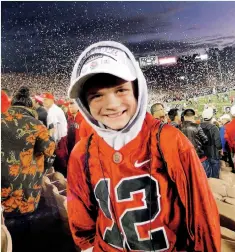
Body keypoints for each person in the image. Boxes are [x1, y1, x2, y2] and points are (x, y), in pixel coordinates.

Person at [67, 41, 221, 252]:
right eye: (97, 95)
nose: (111, 104)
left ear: (138, 90)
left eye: (121, 90)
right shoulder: (82, 153)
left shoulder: (168, 139)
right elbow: (82, 225)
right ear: (84, 103)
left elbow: (201, 215)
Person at [1, 86, 55, 251]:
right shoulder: (36, 125)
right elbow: (50, 151)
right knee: (24, 231)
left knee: (4, 230)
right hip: (26, 191)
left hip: (1, 188)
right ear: (30, 107)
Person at [42, 92, 68, 176]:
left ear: (52, 100)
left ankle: (62, 180)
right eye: (43, 99)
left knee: (60, 163)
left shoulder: (53, 111)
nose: (44, 101)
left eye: (46, 99)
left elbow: (52, 129)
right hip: (61, 139)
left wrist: (52, 143)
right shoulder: (54, 109)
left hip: (59, 140)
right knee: (61, 162)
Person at [181, 108, 210, 175]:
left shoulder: (179, 127)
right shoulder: (197, 126)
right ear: (193, 116)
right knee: (205, 178)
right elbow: (205, 140)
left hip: (185, 158)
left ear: (184, 117)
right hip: (199, 157)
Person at [200, 108, 222, 178]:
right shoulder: (214, 128)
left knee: (206, 176)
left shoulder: (198, 126)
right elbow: (218, 142)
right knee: (215, 176)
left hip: (203, 154)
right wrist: (220, 149)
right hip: (213, 154)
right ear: (211, 117)